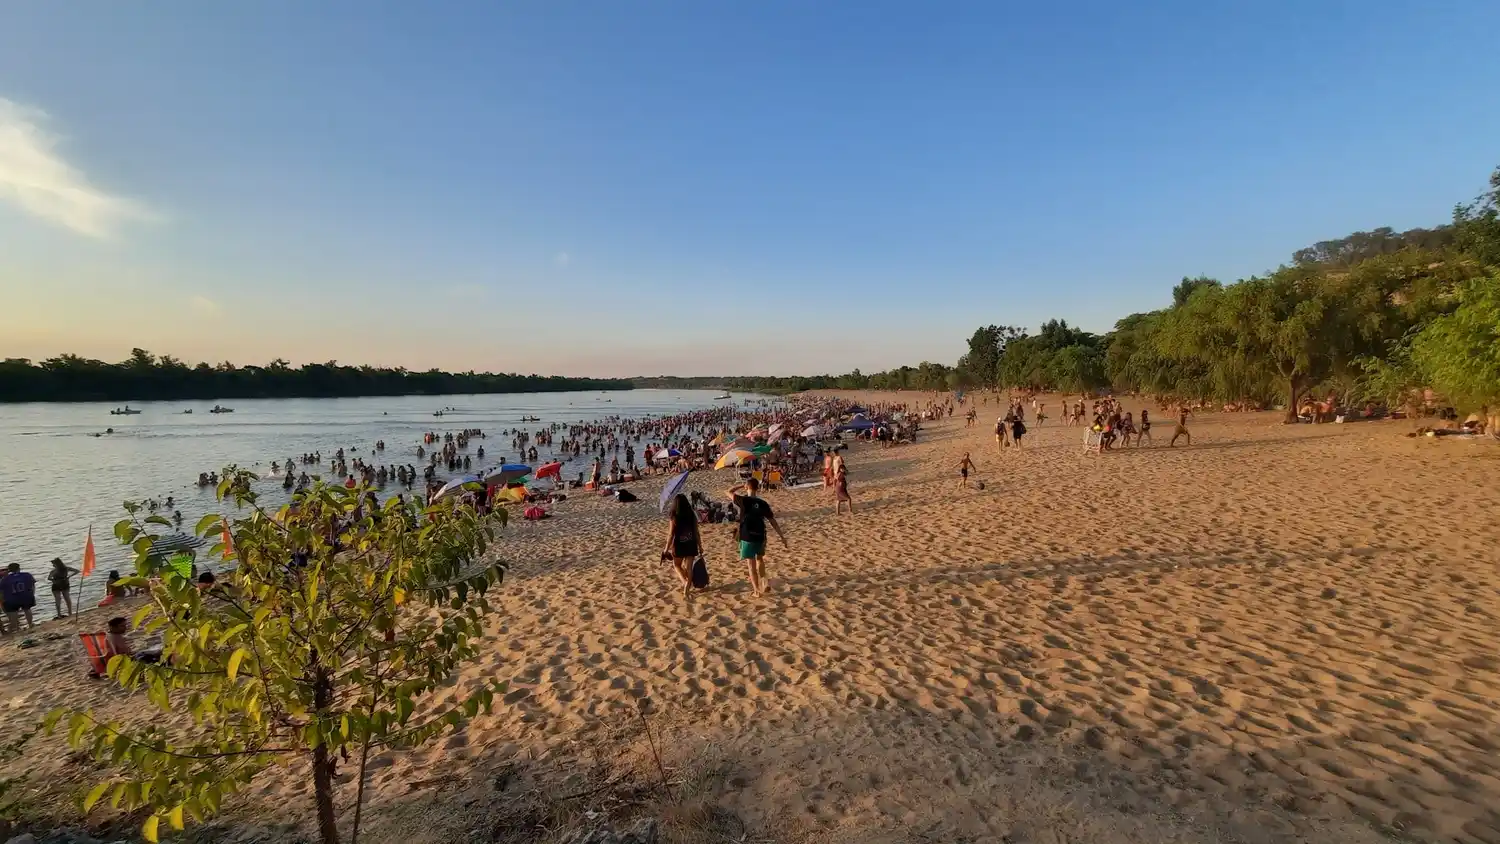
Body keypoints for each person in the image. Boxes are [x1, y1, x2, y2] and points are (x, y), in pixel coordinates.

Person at [726, 478, 786, 596]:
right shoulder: (763, 503)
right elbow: (772, 521)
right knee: (760, 559)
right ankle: (764, 581)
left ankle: (756, 591)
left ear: (747, 487)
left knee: (751, 565)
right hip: (760, 535)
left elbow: (728, 491)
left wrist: (740, 485)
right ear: (757, 488)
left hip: (747, 536)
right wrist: (782, 536)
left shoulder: (743, 500)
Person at [663, 494, 702, 598]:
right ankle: (687, 588)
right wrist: (700, 546)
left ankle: (685, 582)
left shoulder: (674, 515)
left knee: (676, 565)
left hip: (679, 545)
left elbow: (671, 534)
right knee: (689, 568)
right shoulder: (691, 514)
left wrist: (666, 549)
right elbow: (696, 532)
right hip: (691, 543)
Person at [1, 563, 38, 633]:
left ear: (9, 570)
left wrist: (3, 600)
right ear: (19, 568)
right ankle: (30, 624)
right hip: (25, 596)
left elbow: (2, 591)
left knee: (13, 613)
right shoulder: (27, 575)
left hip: (12, 598)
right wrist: (32, 594)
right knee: (27, 610)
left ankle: (17, 628)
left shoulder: (5, 579)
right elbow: (32, 585)